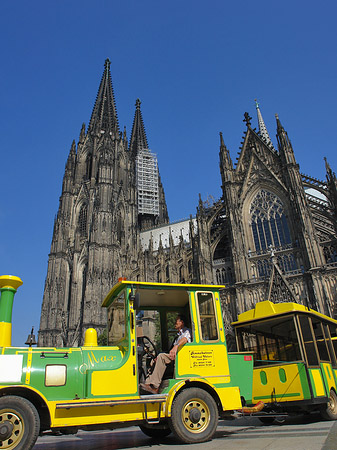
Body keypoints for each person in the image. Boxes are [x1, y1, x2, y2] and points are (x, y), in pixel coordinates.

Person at [140, 314, 191, 394]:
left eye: (177, 321)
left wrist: (176, 346)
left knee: (161, 357)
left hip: (180, 356)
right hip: (173, 355)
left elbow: (185, 339)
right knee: (153, 360)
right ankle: (148, 384)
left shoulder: (187, 331)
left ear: (182, 322)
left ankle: (155, 386)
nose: (175, 323)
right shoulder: (178, 335)